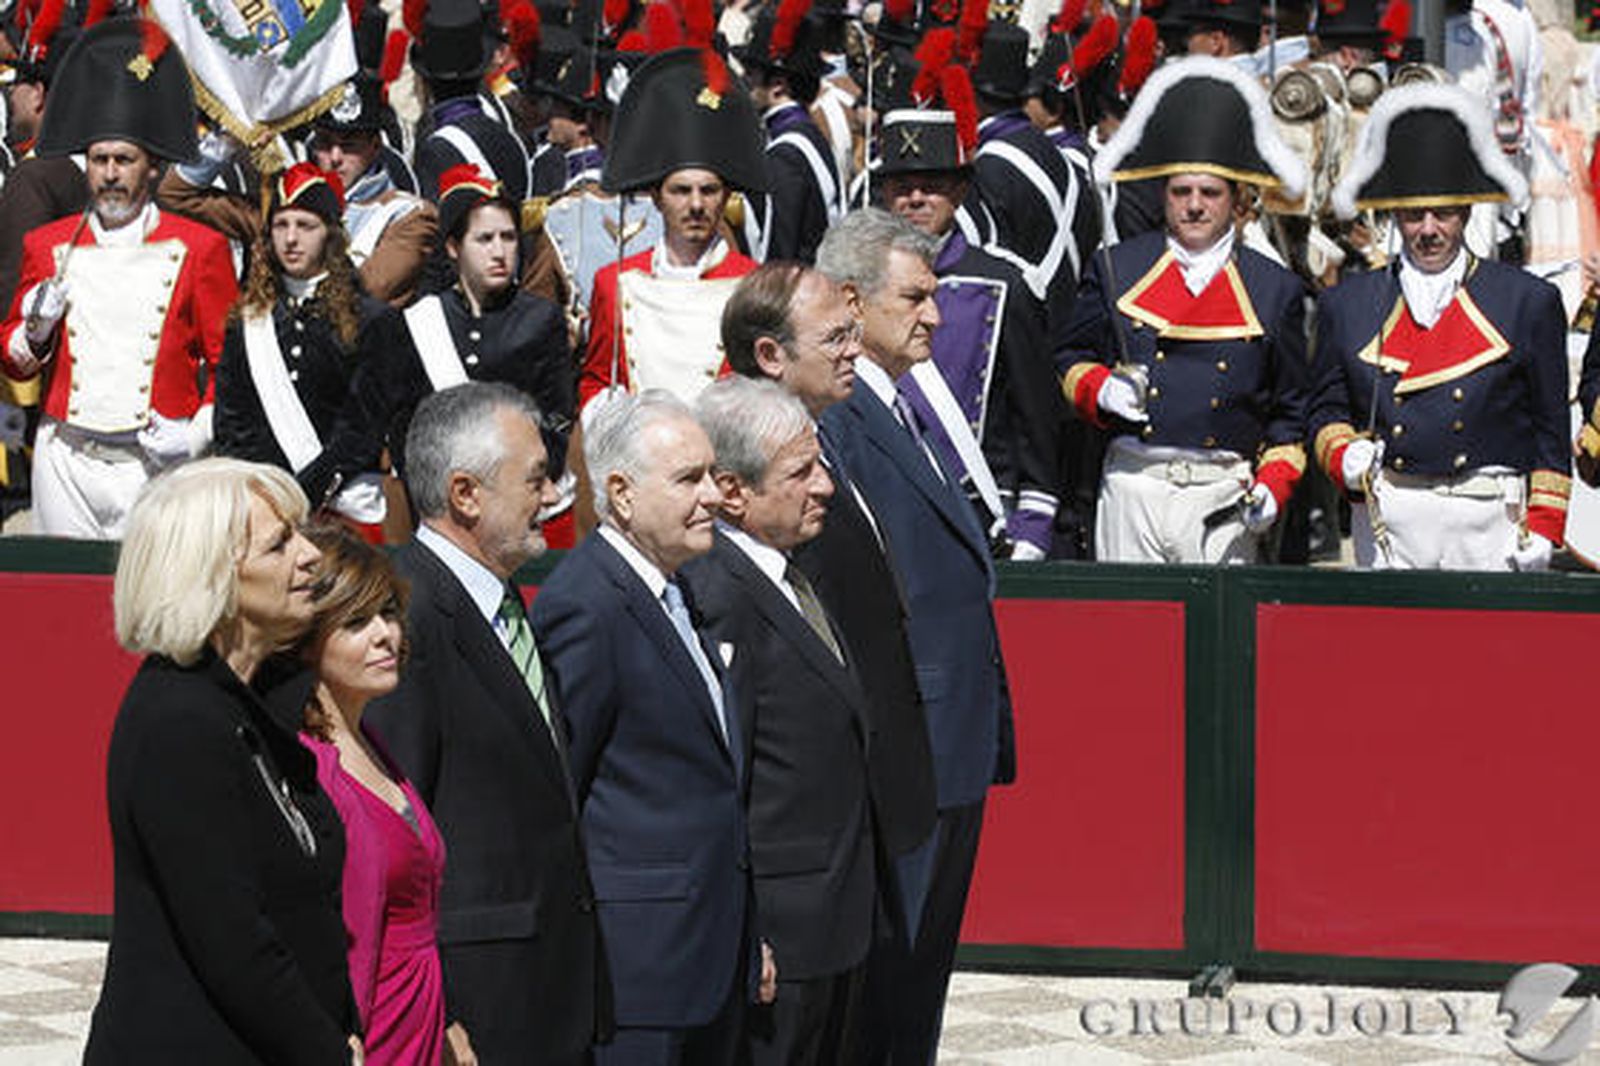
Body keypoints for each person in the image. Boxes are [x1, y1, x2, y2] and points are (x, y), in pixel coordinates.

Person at [814, 208, 1014, 1065]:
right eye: (915, 297)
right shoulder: (838, 416)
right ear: (852, 302)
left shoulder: (902, 403)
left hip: (950, 732)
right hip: (907, 740)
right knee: (888, 984)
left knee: (922, 974)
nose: (935, 315)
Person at [364, 382, 608, 1065]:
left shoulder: (498, 599)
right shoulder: (407, 617)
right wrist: (434, 1009)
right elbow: (393, 829)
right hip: (475, 1003)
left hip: (548, 987)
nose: (553, 495)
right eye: (534, 479)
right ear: (466, 494)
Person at [86, 458, 359, 1064]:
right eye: (280, 544)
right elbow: (234, 942)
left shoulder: (250, 702)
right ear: (212, 577)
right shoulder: (178, 724)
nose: (310, 556)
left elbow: (306, 905)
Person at [532, 390, 765, 1066]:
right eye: (688, 479)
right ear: (622, 495)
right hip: (639, 968)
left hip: (709, 950)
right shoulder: (587, 605)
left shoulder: (678, 588)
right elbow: (562, 791)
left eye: (712, 475)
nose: (713, 496)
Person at [685, 376, 874, 1065]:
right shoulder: (718, 595)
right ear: (733, 492)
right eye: (801, 473)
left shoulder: (790, 572)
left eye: (820, 465)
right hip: (781, 935)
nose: (825, 486)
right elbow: (722, 779)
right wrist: (748, 930)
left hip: (833, 917)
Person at [1057, 57, 1311, 564]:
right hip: (1132, 484)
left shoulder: (1274, 288)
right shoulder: (1117, 267)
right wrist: (1100, 388)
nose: (1194, 206)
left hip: (1223, 492)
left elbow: (1290, 414)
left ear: (1236, 200)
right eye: (1181, 192)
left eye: (1210, 193)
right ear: (1163, 196)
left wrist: (1273, 484)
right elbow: (1069, 358)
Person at [1311, 82, 1570, 569]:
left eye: (1443, 213)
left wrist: (1544, 526)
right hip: (1389, 516)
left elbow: (1549, 430)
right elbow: (1326, 410)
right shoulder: (1347, 304)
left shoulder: (1527, 301)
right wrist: (1343, 455)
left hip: (1488, 516)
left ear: (1467, 210)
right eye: (1414, 215)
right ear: (1394, 215)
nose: (1428, 230)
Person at [0, 18, 237, 538]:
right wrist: (35, 332)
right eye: (99, 160)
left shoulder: (200, 248)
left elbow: (231, 364)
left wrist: (195, 433)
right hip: (64, 460)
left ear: (150, 167)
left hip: (155, 460)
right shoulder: (47, 245)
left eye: (124, 160)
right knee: (66, 586)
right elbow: (14, 361)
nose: (110, 173)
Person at [298, 524, 463, 1066]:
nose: (384, 634)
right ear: (307, 639)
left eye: (388, 613)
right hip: (371, 1031)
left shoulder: (374, 743)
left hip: (421, 1021)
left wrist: (449, 1019)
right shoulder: (309, 766)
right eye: (355, 622)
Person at [879, 102, 1066, 560]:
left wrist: (1034, 521)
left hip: (977, 510)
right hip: (885, 505)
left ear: (960, 192)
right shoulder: (857, 283)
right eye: (902, 187)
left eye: (932, 187)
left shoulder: (1008, 283)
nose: (916, 199)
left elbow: (1036, 418)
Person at [213, 163, 393, 537]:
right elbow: (232, 423)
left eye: (305, 226)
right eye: (281, 225)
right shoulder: (248, 320)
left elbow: (361, 428)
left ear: (331, 234)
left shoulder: (372, 320)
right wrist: (266, 492)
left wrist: (307, 489)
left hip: (342, 510)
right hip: (263, 505)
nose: (291, 239)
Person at [580, 46, 765, 406]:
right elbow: (598, 382)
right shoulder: (613, 282)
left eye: (708, 191)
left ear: (725, 197)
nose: (696, 205)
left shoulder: (754, 284)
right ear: (657, 198)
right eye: (681, 191)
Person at [159, 77, 439, 309]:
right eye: (325, 143)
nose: (335, 157)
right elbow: (177, 194)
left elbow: (365, 296)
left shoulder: (409, 216)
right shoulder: (282, 204)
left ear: (375, 146)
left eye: (349, 145)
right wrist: (233, 135)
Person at [386, 163, 573, 471]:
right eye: (485, 239)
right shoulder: (422, 320)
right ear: (453, 247)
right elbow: (403, 423)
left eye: (508, 237)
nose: (499, 252)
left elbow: (557, 418)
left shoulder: (541, 318)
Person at [737, 0, 845, 263]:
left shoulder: (786, 153)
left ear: (777, 86)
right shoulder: (804, 134)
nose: (745, 81)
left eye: (751, 73)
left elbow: (781, 252)